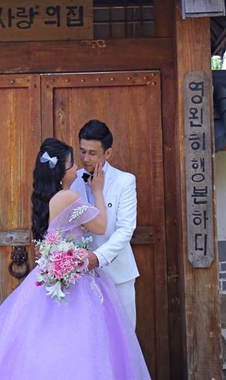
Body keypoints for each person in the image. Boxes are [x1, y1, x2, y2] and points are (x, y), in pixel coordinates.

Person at [0, 138, 150, 380]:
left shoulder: (51, 197)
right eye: (72, 164)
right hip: (76, 282)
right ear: (63, 172)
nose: (77, 167)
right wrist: (97, 191)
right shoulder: (67, 197)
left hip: (58, 276)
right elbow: (101, 226)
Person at [70, 120, 139, 329]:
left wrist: (98, 257)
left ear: (107, 153)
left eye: (92, 153)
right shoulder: (73, 180)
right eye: (82, 151)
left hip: (118, 275)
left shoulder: (124, 181)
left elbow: (125, 229)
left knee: (123, 334)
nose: (85, 158)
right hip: (81, 277)